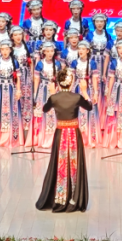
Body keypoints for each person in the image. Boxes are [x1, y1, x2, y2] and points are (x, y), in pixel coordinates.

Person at [36, 68, 92, 213]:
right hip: (74, 134)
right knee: (74, 165)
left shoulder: (54, 98)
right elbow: (89, 107)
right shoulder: (77, 97)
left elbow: (44, 109)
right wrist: (85, 91)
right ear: (71, 82)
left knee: (59, 164)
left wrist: (51, 94)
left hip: (60, 134)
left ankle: (59, 197)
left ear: (59, 83)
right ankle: (74, 197)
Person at [0, 41, 23, 147]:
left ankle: (11, 138)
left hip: (11, 88)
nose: (5, 51)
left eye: (7, 49)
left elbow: (18, 78)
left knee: (12, 111)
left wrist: (18, 90)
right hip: (0, 88)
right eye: (2, 49)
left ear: (10, 50)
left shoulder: (14, 62)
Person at [70, 40, 102, 148]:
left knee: (89, 112)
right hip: (77, 89)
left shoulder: (92, 63)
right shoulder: (74, 62)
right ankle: (77, 137)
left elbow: (94, 79)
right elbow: (72, 78)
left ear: (87, 51)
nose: (81, 51)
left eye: (83, 49)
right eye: (79, 49)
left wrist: (95, 92)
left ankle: (89, 138)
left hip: (88, 89)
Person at [32, 41, 64, 148]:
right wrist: (35, 93)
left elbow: (60, 79)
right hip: (43, 90)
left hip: (54, 90)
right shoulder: (40, 64)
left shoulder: (58, 64)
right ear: (44, 52)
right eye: (48, 51)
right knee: (44, 113)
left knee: (54, 113)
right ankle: (43, 138)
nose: (50, 53)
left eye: (52, 51)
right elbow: (37, 79)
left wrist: (59, 90)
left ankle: (54, 138)